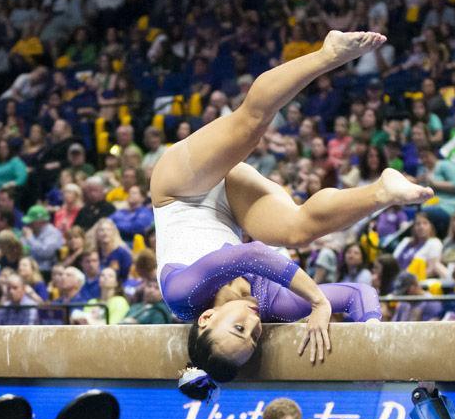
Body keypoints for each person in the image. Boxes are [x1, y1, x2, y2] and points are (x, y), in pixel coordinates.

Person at [152, 31, 433, 396]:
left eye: (239, 329)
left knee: (250, 126)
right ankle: (381, 192)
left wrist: (316, 301)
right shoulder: (269, 304)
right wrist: (370, 341)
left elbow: (249, 253)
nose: (255, 325)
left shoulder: (183, 297)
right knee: (298, 230)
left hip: (179, 189)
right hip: (229, 206)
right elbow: (355, 294)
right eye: (254, 338)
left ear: (206, 319)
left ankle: (326, 54)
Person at [21, 205, 64, 273]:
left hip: (46, 271)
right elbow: (23, 250)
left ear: (40, 222)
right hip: (30, 269)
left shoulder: (53, 233)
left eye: (31, 221)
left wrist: (30, 238)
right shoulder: (31, 231)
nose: (28, 223)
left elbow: (46, 253)